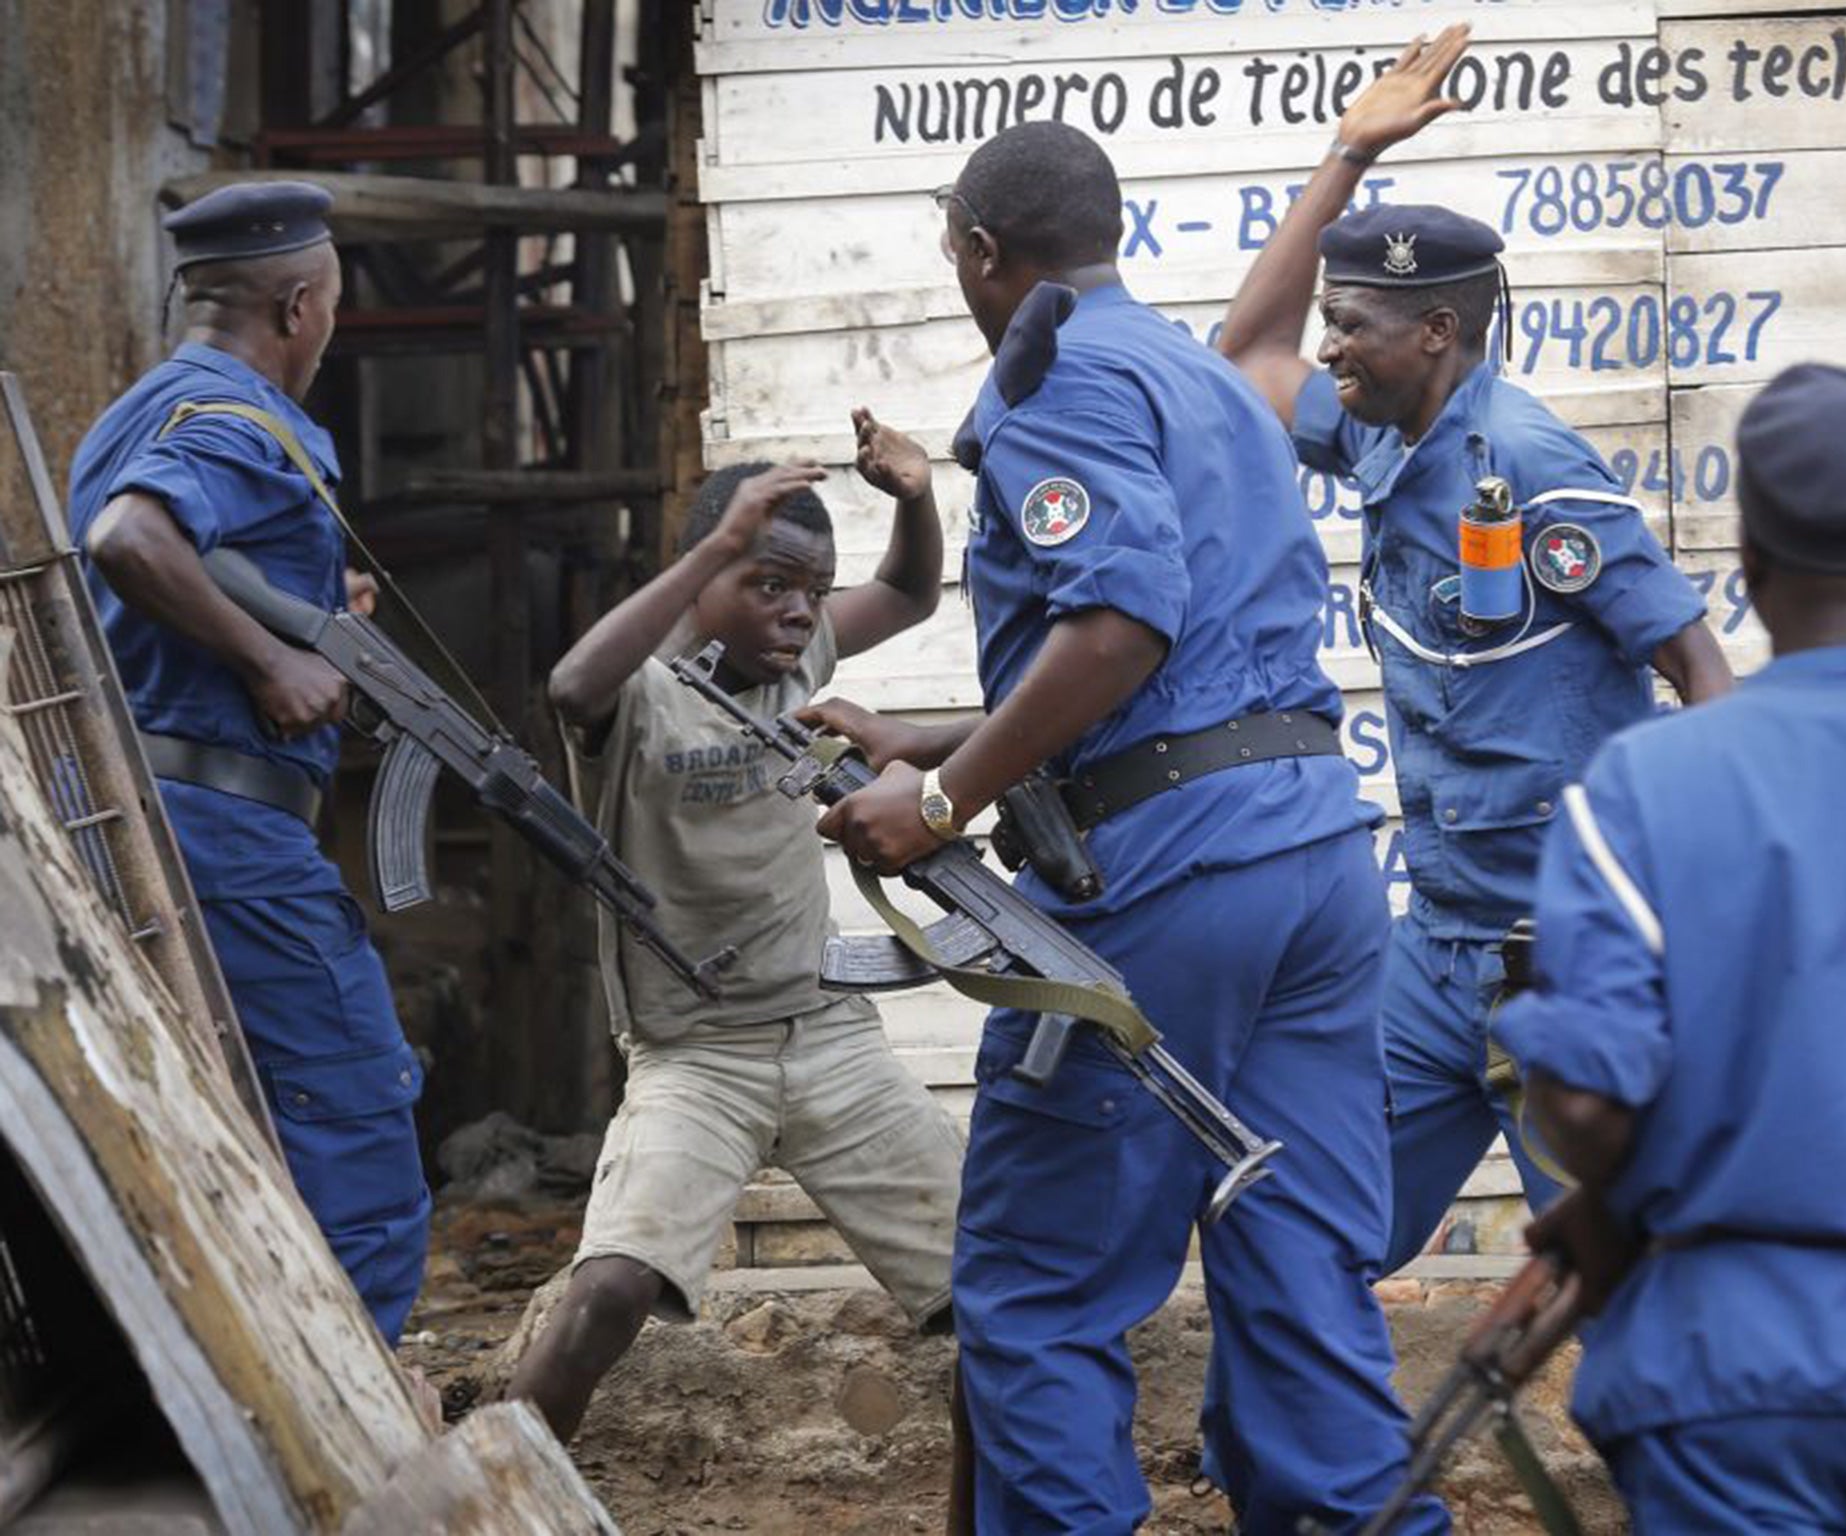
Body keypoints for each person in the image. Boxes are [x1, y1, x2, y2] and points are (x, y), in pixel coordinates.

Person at [813, 120, 1444, 1535]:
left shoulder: (1052, 384)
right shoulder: (1202, 379)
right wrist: (928, 739)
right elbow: (1179, 638)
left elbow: (1124, 625)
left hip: (1169, 893)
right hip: (1311, 874)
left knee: (1037, 1291)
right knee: (1297, 1263)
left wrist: (939, 800)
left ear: (982, 252)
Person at [1494, 363, 1846, 1529]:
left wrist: (1615, 1203)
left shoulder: (1640, 786)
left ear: (1742, 571)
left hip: (1721, 1351)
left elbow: (1586, 1109)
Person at [1217, 27, 1733, 1273]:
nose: (1329, 348)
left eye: (1352, 326)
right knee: (1318, 1229)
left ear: (1435, 330)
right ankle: (1278, 1463)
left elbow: (1699, 673)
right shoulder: (1377, 431)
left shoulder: (1534, 467)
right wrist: (1344, 154)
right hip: (1436, 951)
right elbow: (1245, 359)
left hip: (1569, 964)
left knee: (1623, 1280)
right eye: (1332, 323)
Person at [504, 431, 966, 1456]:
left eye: (811, 593)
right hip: (694, 1057)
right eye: (769, 585)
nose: (798, 613)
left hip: (829, 1039)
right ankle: (492, 1501)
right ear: (706, 571)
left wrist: (917, 498)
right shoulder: (638, 693)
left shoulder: (801, 654)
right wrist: (716, 550)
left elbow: (907, 592)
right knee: (610, 1290)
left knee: (989, 1297)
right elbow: (569, 686)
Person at [69, 182, 430, 1343]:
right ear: (295, 304)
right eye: (327, 305)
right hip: (228, 841)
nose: (326, 328)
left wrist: (311, 615)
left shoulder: (135, 410)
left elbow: (166, 554)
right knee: (358, 1129)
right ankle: (351, 1439)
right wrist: (272, 666)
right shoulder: (241, 419)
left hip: (137, 818)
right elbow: (131, 538)